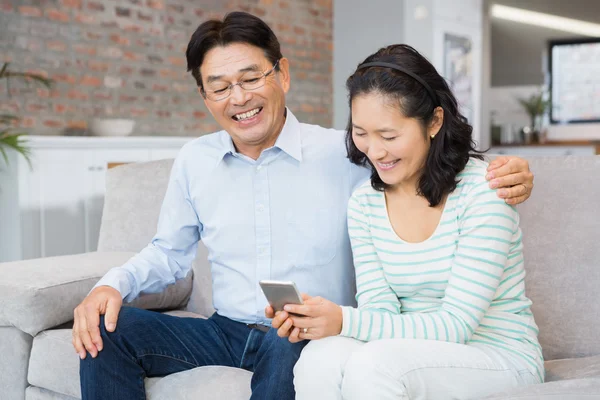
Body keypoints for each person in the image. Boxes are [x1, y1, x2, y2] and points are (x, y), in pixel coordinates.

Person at [72, 12, 535, 400]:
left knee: (296, 344)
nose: (239, 98)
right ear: (205, 96)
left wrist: (511, 173)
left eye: (251, 78)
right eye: (220, 86)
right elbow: (168, 253)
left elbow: (426, 163)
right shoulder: (196, 161)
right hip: (224, 329)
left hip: (301, 332)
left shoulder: (351, 155)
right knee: (107, 329)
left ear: (283, 75)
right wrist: (111, 285)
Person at [274, 44, 543, 400]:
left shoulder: (485, 192)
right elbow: (379, 310)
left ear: (433, 122)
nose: (375, 151)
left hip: (499, 356)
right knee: (319, 359)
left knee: (375, 365)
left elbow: (456, 326)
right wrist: (318, 321)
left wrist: (344, 321)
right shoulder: (365, 204)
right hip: (405, 350)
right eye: (361, 133)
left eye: (389, 136)